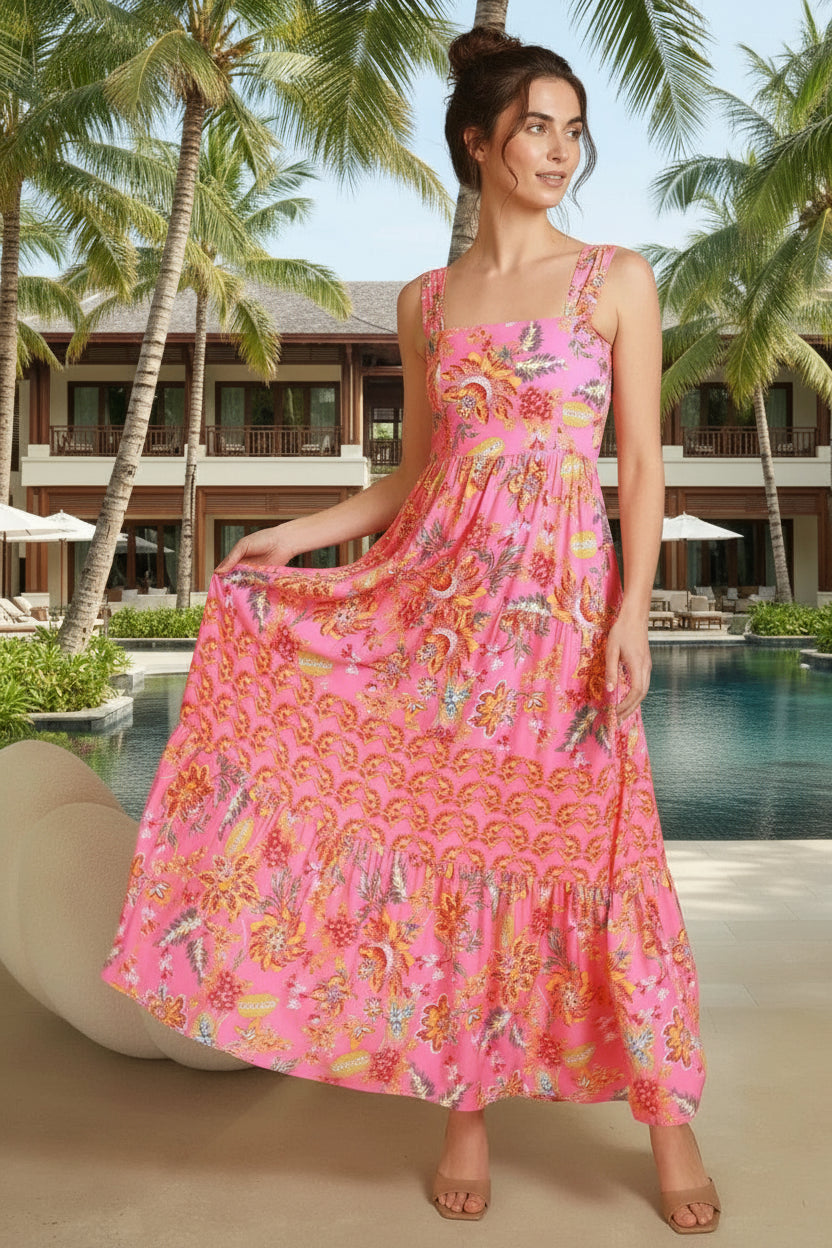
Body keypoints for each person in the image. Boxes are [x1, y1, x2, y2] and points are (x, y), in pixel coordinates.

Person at [100, 26, 720, 1235]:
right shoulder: (428, 303)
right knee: (447, 858)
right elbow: (412, 483)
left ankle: (666, 1117)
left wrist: (633, 607)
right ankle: (464, 1106)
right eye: (536, 125)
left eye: (573, 128)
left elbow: (642, 464)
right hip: (441, 623)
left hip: (565, 624)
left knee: (603, 854)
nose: (559, 149)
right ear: (478, 142)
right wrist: (291, 535)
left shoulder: (617, 279)